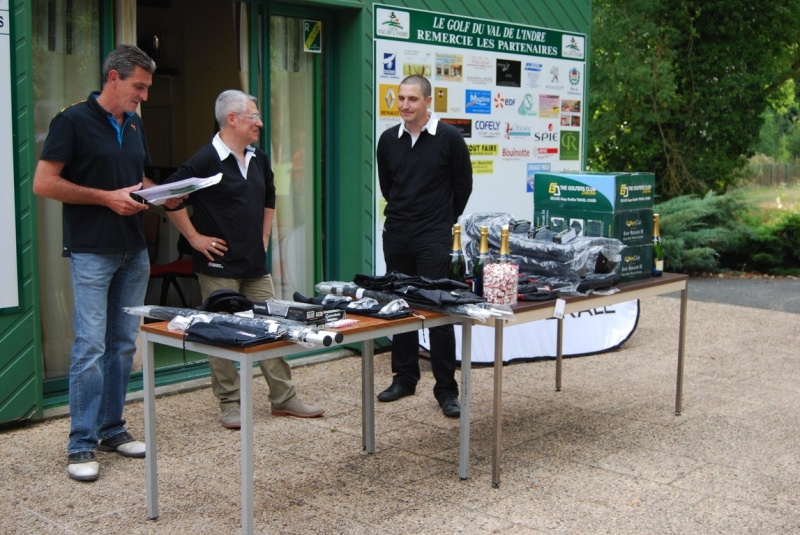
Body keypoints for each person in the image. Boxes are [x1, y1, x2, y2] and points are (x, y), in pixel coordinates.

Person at [32, 44, 180, 482]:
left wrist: (163, 195)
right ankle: (80, 444)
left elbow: (136, 180)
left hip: (134, 249)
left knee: (123, 345)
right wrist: (104, 199)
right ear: (113, 78)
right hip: (92, 250)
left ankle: (112, 429)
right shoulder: (72, 120)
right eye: (139, 86)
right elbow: (44, 183)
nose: (144, 96)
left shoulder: (134, 122)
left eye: (147, 88)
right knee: (91, 347)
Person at [164, 89, 325, 429]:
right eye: (254, 116)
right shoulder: (206, 158)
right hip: (218, 267)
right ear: (232, 119)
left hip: (254, 265)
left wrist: (264, 236)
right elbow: (170, 198)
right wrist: (193, 238)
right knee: (220, 332)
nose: (259, 123)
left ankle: (284, 398)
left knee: (273, 328)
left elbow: (269, 196)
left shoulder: (258, 158)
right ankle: (230, 403)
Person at [375, 75, 473, 418]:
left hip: (433, 236)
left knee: (437, 310)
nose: (404, 105)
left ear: (428, 102)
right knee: (400, 306)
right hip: (397, 234)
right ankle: (404, 378)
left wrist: (440, 220)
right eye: (401, 98)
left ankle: (446, 389)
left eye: (412, 99)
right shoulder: (388, 140)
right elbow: (388, 187)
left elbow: (463, 186)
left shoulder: (449, 138)